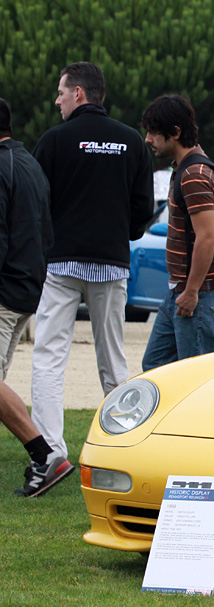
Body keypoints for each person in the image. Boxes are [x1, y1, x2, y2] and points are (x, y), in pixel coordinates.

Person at [31, 62, 153, 463]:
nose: (57, 100)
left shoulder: (54, 141)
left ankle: (50, 454)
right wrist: (120, 234)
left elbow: (37, 204)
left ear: (79, 93)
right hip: (111, 264)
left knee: (49, 358)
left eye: (61, 92)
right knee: (114, 362)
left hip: (62, 263)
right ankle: (124, 450)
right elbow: (142, 210)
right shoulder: (131, 141)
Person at [0, 99, 74, 498]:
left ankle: (44, 455)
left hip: (6, 290)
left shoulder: (3, 166)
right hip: (27, 288)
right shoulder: (29, 162)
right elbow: (46, 231)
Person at [140, 94, 214, 371]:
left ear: (175, 132)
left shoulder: (195, 175)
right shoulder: (186, 168)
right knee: (155, 367)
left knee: (195, 381)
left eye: (154, 132)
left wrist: (191, 292)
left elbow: (207, 237)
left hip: (198, 296)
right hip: (180, 292)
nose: (148, 139)